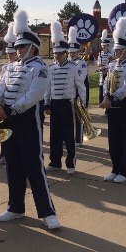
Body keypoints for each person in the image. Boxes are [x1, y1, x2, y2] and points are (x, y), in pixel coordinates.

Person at [0, 9, 60, 230]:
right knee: (12, 166)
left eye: (21, 47)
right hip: (7, 120)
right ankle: (15, 207)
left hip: (28, 121)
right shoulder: (9, 67)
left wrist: (9, 112)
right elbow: (1, 89)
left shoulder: (40, 68)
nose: (17, 50)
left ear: (33, 47)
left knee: (33, 166)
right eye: (17, 46)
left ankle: (47, 212)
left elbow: (33, 96)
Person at [99, 17, 126, 183]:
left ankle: (125, 171)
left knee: (125, 138)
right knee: (113, 139)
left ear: (125, 50)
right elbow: (108, 82)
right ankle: (115, 169)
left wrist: (112, 99)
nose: (114, 53)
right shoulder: (112, 65)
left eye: (117, 50)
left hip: (124, 104)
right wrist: (106, 96)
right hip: (112, 104)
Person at [44, 22, 86, 174]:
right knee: (54, 135)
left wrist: (82, 103)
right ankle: (55, 162)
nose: (57, 55)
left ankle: (71, 164)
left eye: (60, 53)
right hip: (55, 104)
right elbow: (48, 88)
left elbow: (81, 86)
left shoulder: (74, 67)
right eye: (55, 53)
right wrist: (46, 104)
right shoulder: (51, 68)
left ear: (65, 52)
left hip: (68, 104)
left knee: (69, 135)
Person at [0, 24, 17, 166]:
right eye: (8, 54)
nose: (9, 56)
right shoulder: (5, 67)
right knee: (4, 129)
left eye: (12, 53)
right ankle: (3, 154)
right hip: (6, 102)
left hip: (17, 105)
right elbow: (1, 85)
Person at [67, 26, 89, 147]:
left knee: (78, 117)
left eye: (74, 52)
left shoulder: (82, 63)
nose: (71, 54)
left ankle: (78, 139)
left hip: (77, 90)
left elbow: (81, 79)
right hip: (68, 91)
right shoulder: (67, 62)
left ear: (78, 52)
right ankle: (69, 138)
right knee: (69, 118)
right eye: (70, 52)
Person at [96, 30, 113, 105]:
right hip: (101, 72)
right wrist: (99, 64)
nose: (103, 47)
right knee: (100, 87)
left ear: (108, 46)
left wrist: (106, 68)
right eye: (102, 46)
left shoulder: (111, 53)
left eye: (105, 46)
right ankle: (100, 102)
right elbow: (98, 62)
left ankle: (107, 102)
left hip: (108, 72)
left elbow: (111, 63)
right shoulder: (100, 53)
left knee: (107, 88)